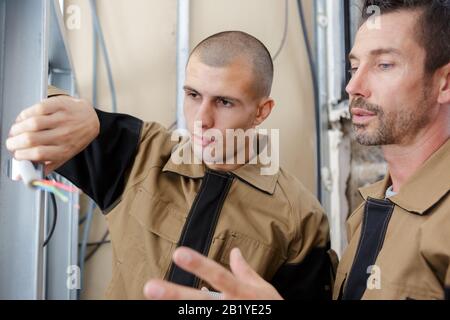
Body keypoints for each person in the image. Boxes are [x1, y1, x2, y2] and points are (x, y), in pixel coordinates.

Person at [140, 0, 450, 300]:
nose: (353, 86)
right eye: (354, 67)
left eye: (384, 65)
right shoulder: (367, 212)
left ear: (445, 82)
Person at [6, 31, 334, 299]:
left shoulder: (301, 217)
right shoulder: (142, 154)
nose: (202, 120)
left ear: (262, 111)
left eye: (224, 102)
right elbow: (18, 89)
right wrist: (66, 108)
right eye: (193, 95)